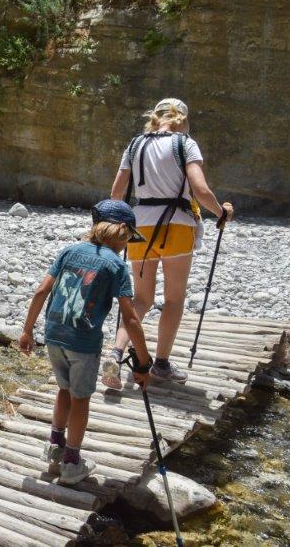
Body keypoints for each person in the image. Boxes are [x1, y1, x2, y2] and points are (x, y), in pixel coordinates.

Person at [102, 98, 234, 389]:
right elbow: (199, 189)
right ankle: (160, 363)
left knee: (141, 299)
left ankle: (115, 352)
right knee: (174, 299)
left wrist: (116, 227)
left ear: (155, 117)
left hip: (140, 225)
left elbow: (117, 192)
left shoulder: (135, 145)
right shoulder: (185, 144)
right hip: (177, 225)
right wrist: (221, 212)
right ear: (181, 120)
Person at [19, 200, 153, 485]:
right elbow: (130, 319)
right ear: (121, 232)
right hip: (83, 342)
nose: (127, 244)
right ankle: (71, 463)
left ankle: (54, 448)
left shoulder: (68, 251)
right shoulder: (116, 265)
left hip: (54, 335)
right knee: (81, 399)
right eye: (128, 238)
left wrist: (27, 331)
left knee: (64, 390)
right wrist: (144, 360)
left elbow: (43, 289)